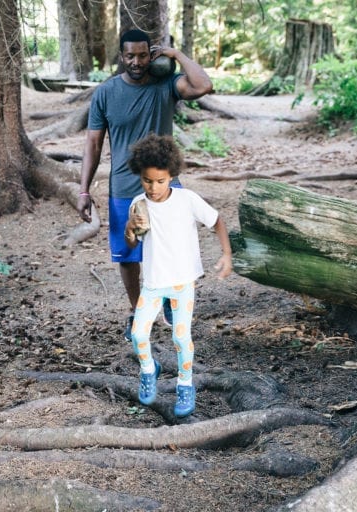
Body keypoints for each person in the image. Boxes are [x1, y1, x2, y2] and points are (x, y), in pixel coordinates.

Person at [76, 29, 213, 342]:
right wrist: (84, 191)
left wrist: (176, 55)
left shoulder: (166, 86)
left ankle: (165, 299)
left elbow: (204, 85)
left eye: (142, 55)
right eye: (130, 56)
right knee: (128, 256)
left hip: (166, 189)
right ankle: (139, 309)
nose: (136, 62)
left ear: (151, 55)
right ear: (121, 57)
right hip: (124, 188)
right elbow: (93, 145)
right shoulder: (106, 93)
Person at [123, 134, 232, 417]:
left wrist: (226, 254)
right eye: (148, 181)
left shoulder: (187, 199)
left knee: (181, 339)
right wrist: (130, 230)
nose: (154, 187)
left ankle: (186, 385)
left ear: (171, 175)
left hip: (182, 281)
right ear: (140, 176)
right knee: (137, 334)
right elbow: (132, 243)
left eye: (160, 181)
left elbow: (217, 220)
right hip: (153, 283)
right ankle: (149, 369)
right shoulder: (139, 204)